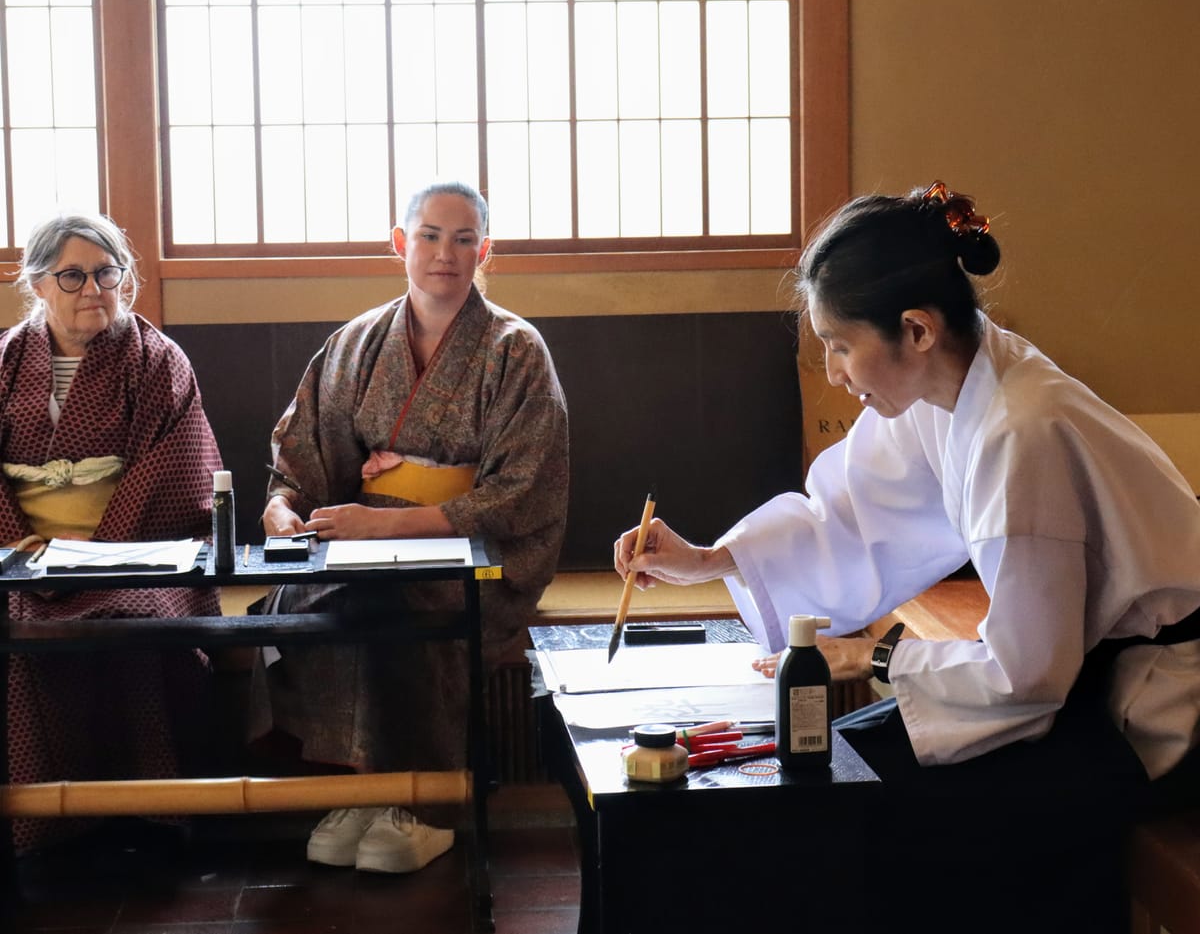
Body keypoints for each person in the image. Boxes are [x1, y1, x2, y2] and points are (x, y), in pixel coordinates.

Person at [614, 182, 1200, 933]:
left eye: (840, 344)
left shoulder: (1020, 427)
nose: (832, 371)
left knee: (871, 804)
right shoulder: (952, 381)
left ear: (916, 330)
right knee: (833, 763)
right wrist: (710, 558)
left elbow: (1029, 674)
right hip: (1074, 677)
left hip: (1151, 708)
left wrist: (878, 656)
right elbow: (849, 516)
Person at [252, 180, 569, 874]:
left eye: (463, 240)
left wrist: (393, 527)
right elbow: (304, 454)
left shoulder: (516, 350)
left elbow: (521, 490)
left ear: (485, 252)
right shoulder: (355, 344)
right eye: (428, 235)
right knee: (305, 599)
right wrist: (286, 506)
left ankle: (427, 806)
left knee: (408, 599)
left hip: (476, 553)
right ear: (400, 243)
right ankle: (363, 789)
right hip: (364, 544)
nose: (444, 254)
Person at [1, 211, 224, 854]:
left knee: (128, 614)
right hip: (21, 553)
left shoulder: (158, 362)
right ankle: (39, 828)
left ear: (126, 279)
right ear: (37, 284)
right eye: (72, 276)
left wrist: (93, 554)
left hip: (134, 548)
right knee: (19, 615)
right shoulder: (7, 361)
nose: (93, 289)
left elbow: (173, 470)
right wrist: (25, 549)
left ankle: (150, 819)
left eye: (106, 272)